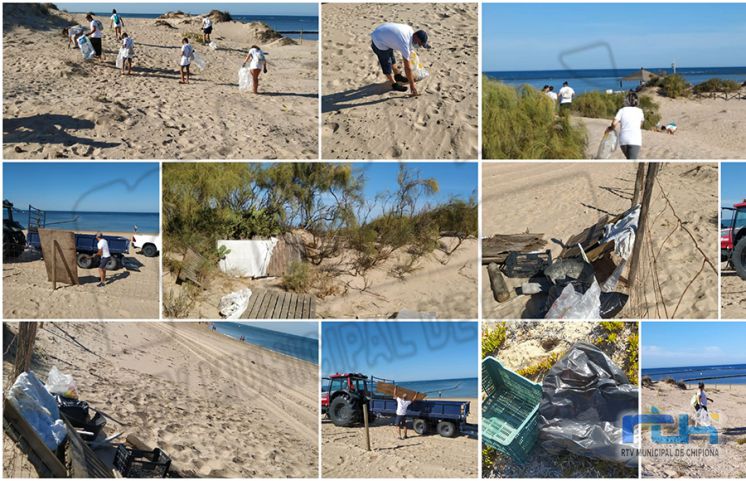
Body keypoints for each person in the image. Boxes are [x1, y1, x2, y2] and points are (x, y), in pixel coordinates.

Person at [370, 22, 431, 96]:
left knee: (391, 56)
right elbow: (407, 68)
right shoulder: (405, 43)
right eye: (420, 44)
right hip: (378, 39)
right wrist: (412, 85)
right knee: (386, 63)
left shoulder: (410, 31)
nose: (420, 46)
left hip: (384, 32)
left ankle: (397, 76)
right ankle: (394, 84)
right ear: (415, 37)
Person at [609, 92, 645, 159]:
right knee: (632, 159)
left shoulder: (622, 110)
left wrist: (611, 128)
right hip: (635, 139)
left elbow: (614, 123)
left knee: (629, 158)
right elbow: (640, 125)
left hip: (623, 139)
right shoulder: (640, 111)